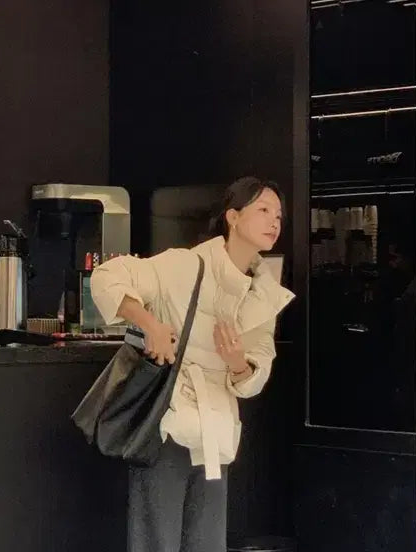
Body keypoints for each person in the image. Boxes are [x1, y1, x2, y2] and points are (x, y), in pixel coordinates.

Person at [90, 176, 295, 552]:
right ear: (233, 217)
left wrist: (239, 364)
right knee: (158, 543)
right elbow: (108, 276)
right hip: (167, 426)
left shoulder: (264, 293)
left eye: (279, 215)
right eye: (263, 210)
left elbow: (257, 371)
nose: (274, 222)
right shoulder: (184, 265)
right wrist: (150, 324)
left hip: (217, 434)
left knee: (208, 544)